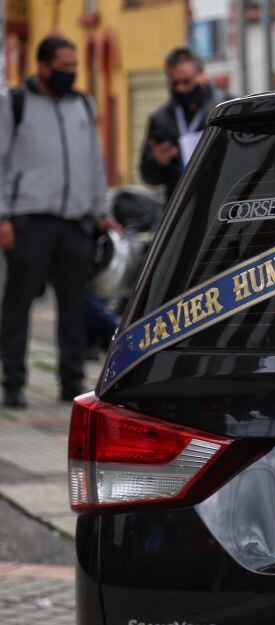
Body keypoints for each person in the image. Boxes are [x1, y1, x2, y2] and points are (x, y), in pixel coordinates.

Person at [0, 36, 122, 406]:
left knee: (73, 306)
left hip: (75, 223)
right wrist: (3, 215)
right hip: (29, 221)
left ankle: (71, 381)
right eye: (64, 67)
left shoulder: (82, 104)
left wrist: (102, 211)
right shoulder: (15, 104)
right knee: (19, 304)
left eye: (74, 67)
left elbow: (93, 161)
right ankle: (14, 382)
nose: (70, 74)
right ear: (43, 66)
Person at [140, 47, 231, 201]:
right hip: (180, 207)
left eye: (186, 82)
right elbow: (148, 177)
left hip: (221, 200)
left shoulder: (225, 109)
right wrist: (157, 162)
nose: (181, 89)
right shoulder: (160, 119)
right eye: (175, 83)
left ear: (201, 74)